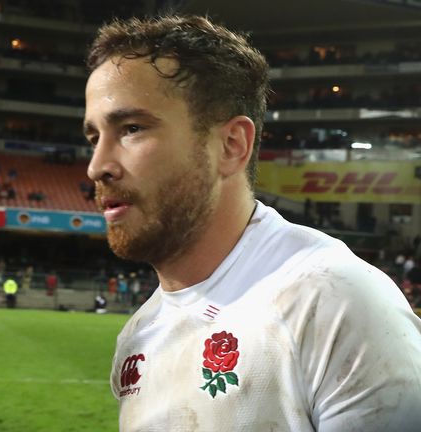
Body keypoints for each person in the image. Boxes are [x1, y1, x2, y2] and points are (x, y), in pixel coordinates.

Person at [83, 15, 421, 431]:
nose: (97, 166)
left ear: (231, 146)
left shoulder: (331, 300)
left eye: (131, 128)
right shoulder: (140, 334)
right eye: (93, 137)